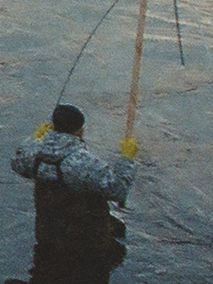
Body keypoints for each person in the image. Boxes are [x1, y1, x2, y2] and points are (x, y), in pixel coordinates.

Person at [10, 104, 132, 252]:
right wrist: (126, 159)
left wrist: (34, 138)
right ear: (80, 131)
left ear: (52, 125)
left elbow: (17, 162)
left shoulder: (32, 154)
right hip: (86, 243)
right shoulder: (83, 163)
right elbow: (118, 191)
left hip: (47, 236)